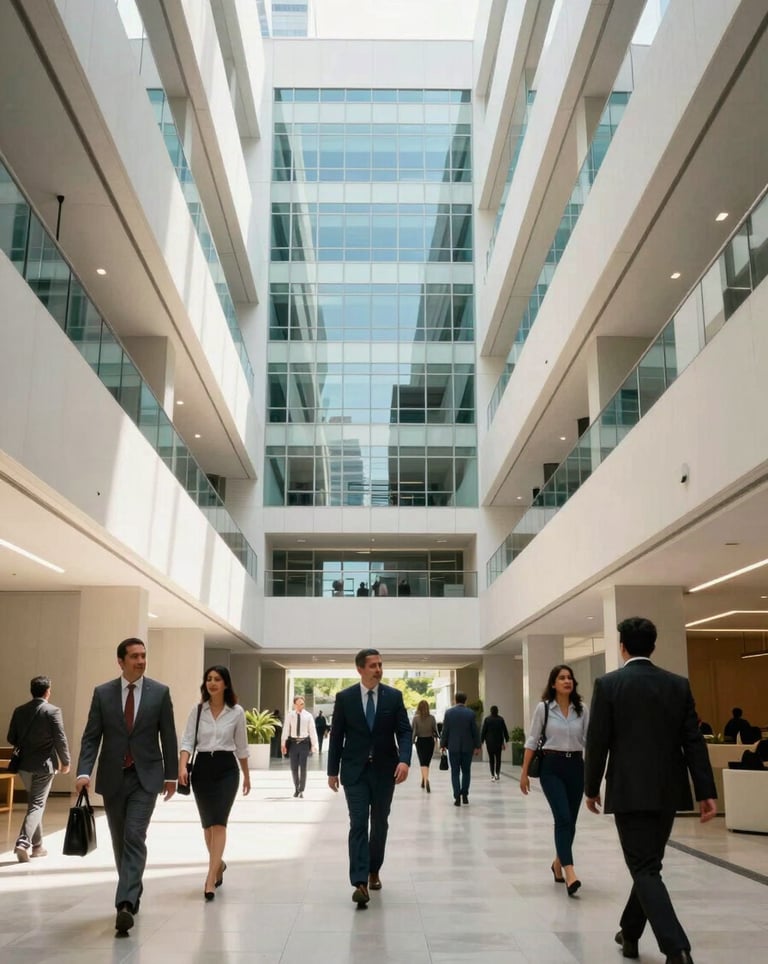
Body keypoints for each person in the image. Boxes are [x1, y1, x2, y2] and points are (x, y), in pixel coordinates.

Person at [585, 617, 716, 964]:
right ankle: (629, 932)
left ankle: (677, 949)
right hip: (668, 791)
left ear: (622, 646)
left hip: (628, 791)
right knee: (649, 864)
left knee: (644, 867)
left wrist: (590, 787)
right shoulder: (677, 685)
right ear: (653, 646)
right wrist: (706, 790)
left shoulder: (609, 685)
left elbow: (598, 741)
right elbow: (693, 741)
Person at [76, 637, 178, 937]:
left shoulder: (159, 692)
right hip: (113, 777)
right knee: (120, 839)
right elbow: (92, 736)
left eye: (144, 655)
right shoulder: (103, 693)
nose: (141, 661)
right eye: (134, 656)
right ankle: (133, 885)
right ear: (120, 661)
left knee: (134, 834)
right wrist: (84, 771)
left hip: (146, 777)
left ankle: (125, 903)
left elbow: (168, 736)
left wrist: (171, 776)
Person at [327, 648, 411, 908]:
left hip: (386, 772)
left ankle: (375, 869)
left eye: (380, 665)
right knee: (358, 823)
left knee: (380, 822)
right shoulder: (345, 698)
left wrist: (405, 760)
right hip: (355, 772)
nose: (378, 669)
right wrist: (332, 771)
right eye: (373, 665)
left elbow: (405, 732)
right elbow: (337, 735)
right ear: (360, 669)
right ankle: (360, 881)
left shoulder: (394, 697)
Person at [178, 665, 250, 900]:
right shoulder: (198, 710)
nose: (212, 683)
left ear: (226, 684)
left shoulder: (236, 712)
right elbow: (188, 740)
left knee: (219, 823)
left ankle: (210, 878)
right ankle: (218, 865)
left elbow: (241, 746)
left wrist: (247, 775)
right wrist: (182, 766)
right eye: (209, 679)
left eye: (217, 679)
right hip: (202, 770)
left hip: (227, 769)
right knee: (208, 826)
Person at [520, 665, 588, 896]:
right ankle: (570, 872)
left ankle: (557, 864)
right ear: (553, 684)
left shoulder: (582, 710)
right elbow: (532, 739)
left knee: (572, 821)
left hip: (576, 766)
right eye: (562, 678)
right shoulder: (544, 709)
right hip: (552, 767)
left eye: (570, 677)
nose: (567, 681)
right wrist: (524, 772)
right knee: (563, 818)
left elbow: (590, 740)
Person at [7, 675, 71, 862]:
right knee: (37, 804)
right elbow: (60, 738)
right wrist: (66, 762)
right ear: (47, 691)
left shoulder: (19, 711)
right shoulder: (53, 711)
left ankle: (38, 847)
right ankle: (23, 842)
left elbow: (11, 737)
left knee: (35, 804)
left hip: (24, 766)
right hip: (45, 766)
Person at [440, 691, 480, 806]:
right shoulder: (471, 714)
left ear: (455, 700)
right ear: (465, 700)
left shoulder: (449, 713)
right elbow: (475, 731)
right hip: (467, 747)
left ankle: (457, 796)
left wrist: (442, 745)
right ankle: (465, 795)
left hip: (453, 747)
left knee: (455, 772)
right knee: (466, 771)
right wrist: (477, 746)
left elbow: (445, 731)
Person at [281, 695, 318, 797]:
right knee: (293, 768)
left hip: (304, 743)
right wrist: (283, 744)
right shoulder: (290, 715)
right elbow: (285, 730)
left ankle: (301, 789)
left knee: (303, 767)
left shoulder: (308, 716)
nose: (300, 706)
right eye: (297, 704)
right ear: (294, 704)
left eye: (301, 704)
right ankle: (296, 787)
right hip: (293, 744)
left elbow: (312, 731)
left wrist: (314, 745)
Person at [411, 699, 438, 792]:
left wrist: (412, 741)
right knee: (427, 762)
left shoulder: (415, 718)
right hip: (430, 741)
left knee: (422, 762)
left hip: (420, 741)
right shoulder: (432, 718)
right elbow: (436, 730)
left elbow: (413, 731)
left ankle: (426, 780)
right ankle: (424, 779)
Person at [481, 705, 509, 782]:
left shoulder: (487, 719)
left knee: (491, 759)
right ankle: (497, 774)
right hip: (498, 743)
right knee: (498, 759)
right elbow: (504, 730)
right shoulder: (500, 719)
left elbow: (483, 731)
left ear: (491, 711)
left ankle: (492, 775)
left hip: (489, 743)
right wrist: (507, 739)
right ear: (497, 711)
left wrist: (481, 741)